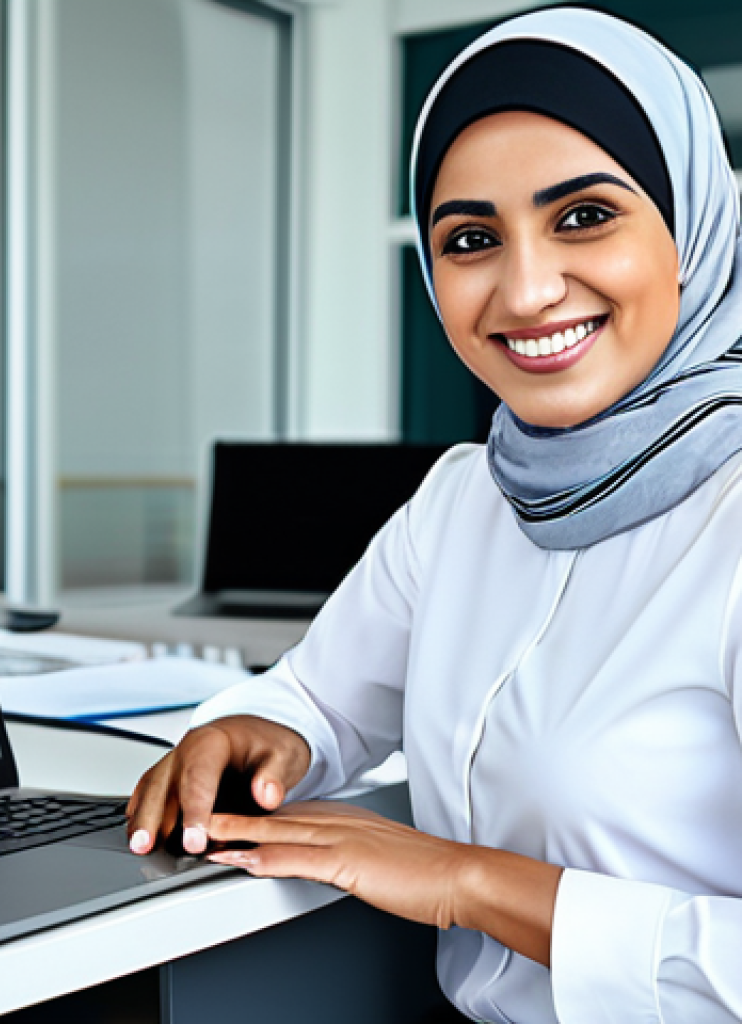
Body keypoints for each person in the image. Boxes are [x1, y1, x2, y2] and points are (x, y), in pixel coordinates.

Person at [126, 8, 742, 1021]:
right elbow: (321, 698)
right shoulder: (464, 498)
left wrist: (470, 883)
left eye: (584, 216)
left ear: (692, 228)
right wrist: (256, 731)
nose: (527, 289)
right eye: (471, 239)